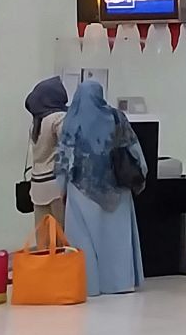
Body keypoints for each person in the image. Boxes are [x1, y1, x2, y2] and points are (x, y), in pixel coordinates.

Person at [56, 80, 147, 296]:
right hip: (116, 189)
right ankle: (119, 283)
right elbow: (133, 149)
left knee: (83, 241)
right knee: (116, 239)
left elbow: (63, 157)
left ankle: (88, 286)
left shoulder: (71, 120)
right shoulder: (116, 117)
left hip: (81, 189)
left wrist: (62, 187)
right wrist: (140, 175)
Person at [24, 76, 69, 227]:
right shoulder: (58, 118)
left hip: (37, 185)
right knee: (61, 236)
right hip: (55, 185)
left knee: (43, 237)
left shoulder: (36, 121)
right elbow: (68, 147)